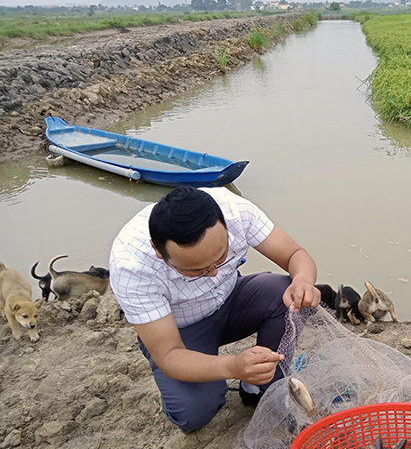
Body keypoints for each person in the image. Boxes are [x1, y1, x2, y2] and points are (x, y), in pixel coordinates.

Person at [109, 186, 321, 433]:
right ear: (158, 251)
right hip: (179, 332)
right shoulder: (131, 266)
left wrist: (303, 282)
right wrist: (232, 366)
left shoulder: (235, 211)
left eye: (221, 258)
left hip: (232, 301)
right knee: (194, 413)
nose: (214, 273)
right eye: (196, 270)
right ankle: (221, 380)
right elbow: (168, 354)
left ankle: (263, 381)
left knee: (289, 297)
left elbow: (295, 254)